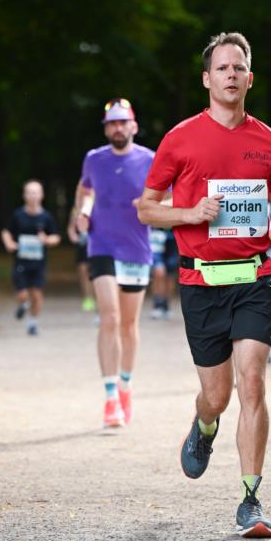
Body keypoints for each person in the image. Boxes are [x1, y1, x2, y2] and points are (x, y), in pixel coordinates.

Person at [137, 31, 271, 538]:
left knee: (252, 378)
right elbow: (146, 207)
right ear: (207, 79)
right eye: (222, 68)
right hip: (201, 281)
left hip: (256, 276)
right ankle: (205, 424)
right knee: (217, 393)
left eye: (239, 68)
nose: (231, 75)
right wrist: (191, 212)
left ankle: (251, 499)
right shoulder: (180, 138)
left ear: (250, 79)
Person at [73, 98, 154, 428]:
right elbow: (84, 190)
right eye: (111, 123)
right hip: (101, 244)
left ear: (133, 126)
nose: (117, 128)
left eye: (123, 122)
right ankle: (109, 399)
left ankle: (125, 386)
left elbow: (174, 197)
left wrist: (148, 203)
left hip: (136, 249)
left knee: (129, 325)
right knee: (109, 318)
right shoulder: (94, 159)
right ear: (106, 128)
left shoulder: (151, 159)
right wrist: (81, 212)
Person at [1, 180, 61, 336]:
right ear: (24, 195)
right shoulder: (18, 215)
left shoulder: (46, 217)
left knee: (37, 293)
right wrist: (9, 243)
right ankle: (24, 304)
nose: (33, 196)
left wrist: (47, 240)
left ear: (41, 195)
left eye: (36, 192)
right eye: (30, 192)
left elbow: (56, 237)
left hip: (38, 263)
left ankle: (33, 323)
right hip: (21, 261)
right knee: (22, 293)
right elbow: (6, 231)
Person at [66, 209, 95, 313]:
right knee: (83, 271)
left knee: (96, 272)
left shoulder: (102, 203)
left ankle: (98, 297)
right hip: (83, 245)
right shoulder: (77, 208)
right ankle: (88, 298)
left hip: (98, 245)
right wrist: (74, 237)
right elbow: (71, 228)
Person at [148, 226, 179, 319]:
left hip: (172, 237)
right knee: (158, 273)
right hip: (157, 234)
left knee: (170, 276)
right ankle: (157, 304)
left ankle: (166, 305)